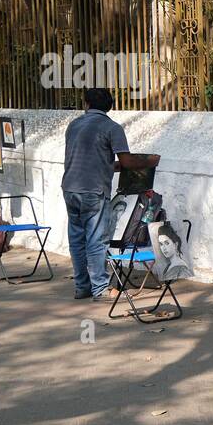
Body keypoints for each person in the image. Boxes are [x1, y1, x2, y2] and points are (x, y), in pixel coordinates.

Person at [62, 88, 159, 300]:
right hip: (93, 191)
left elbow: (89, 159)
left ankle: (82, 287)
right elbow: (127, 162)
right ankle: (100, 289)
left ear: (86, 103)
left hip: (70, 188)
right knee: (97, 240)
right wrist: (149, 161)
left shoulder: (74, 125)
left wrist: (110, 166)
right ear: (109, 106)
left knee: (77, 239)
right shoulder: (111, 127)